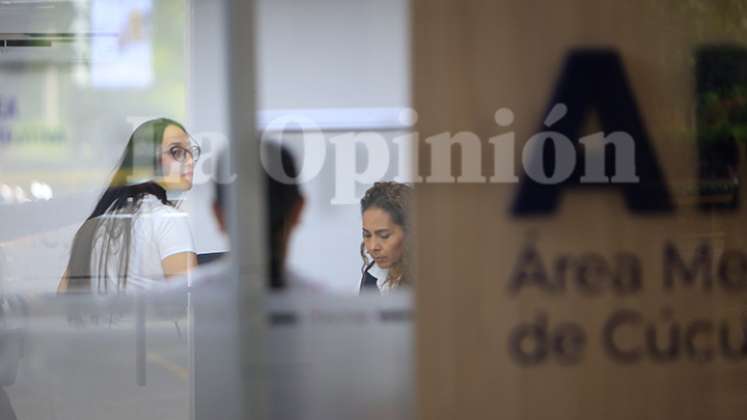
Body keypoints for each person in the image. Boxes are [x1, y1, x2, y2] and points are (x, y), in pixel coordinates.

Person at [57, 118, 200, 293]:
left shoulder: (93, 227)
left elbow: (63, 297)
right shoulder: (168, 220)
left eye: (192, 152)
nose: (190, 161)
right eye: (176, 152)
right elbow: (191, 303)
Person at [359, 181, 413, 292]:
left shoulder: (435, 279)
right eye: (367, 235)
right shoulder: (370, 276)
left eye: (384, 235)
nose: (372, 247)